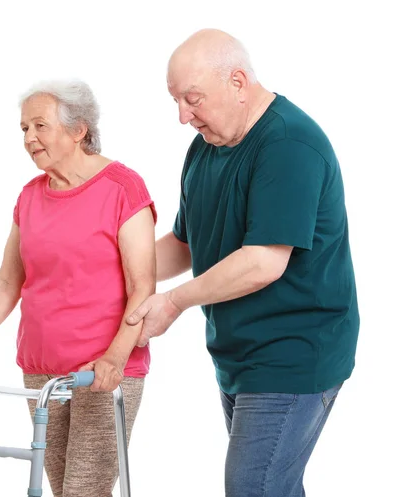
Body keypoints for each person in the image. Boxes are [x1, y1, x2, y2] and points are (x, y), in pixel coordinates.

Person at [126, 29, 359, 497]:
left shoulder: (289, 145)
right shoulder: (205, 147)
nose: (182, 116)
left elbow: (262, 262)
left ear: (237, 81)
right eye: (175, 101)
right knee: (272, 486)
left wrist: (173, 302)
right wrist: (112, 265)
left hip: (296, 352)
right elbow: (186, 243)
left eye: (192, 100)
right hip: (238, 355)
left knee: (253, 487)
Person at [0, 79, 157, 497]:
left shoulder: (122, 188)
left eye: (39, 126)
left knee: (83, 492)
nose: (29, 138)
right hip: (41, 372)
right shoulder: (30, 197)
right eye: (23, 129)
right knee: (59, 490)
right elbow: (7, 281)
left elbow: (142, 286)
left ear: (78, 129)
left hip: (101, 373)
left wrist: (115, 357)